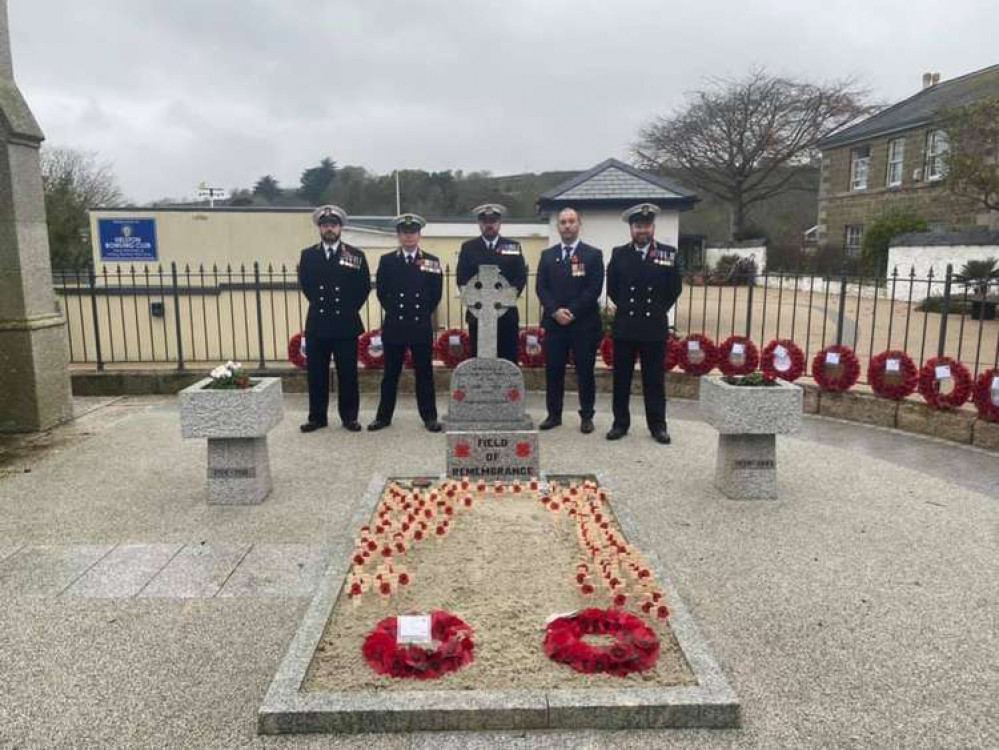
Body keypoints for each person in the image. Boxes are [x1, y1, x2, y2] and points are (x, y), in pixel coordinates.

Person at [605, 203, 683, 444]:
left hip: (653, 327)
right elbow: (614, 290)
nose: (642, 230)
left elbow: (674, 289)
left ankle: (658, 426)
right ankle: (620, 423)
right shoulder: (619, 254)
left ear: (653, 228)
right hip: (626, 326)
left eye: (647, 226)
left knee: (654, 380)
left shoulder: (667, 254)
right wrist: (630, 309)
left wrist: (657, 309)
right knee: (621, 379)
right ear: (631, 228)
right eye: (638, 226)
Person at [297, 205, 371, 433]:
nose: (329, 229)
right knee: (316, 375)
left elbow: (363, 287)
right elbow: (307, 286)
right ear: (319, 228)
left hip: (345, 324)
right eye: (325, 225)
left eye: (333, 225)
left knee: (347, 374)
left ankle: (349, 417)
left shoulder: (355, 255)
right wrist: (325, 306)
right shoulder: (308, 255)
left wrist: (347, 309)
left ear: (341, 227)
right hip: (318, 323)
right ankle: (317, 417)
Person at [368, 214, 443, 433]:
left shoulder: (431, 261)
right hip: (395, 324)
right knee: (390, 374)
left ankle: (429, 417)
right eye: (404, 232)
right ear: (399, 235)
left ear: (419, 235)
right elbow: (382, 292)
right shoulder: (387, 260)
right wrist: (396, 310)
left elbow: (435, 294)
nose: (408, 236)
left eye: (412, 232)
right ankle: (383, 417)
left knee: (424, 374)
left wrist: (419, 313)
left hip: (420, 324)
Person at [535, 207, 604, 433]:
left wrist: (571, 312)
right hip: (555, 325)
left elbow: (593, 289)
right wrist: (555, 311)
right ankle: (554, 415)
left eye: (571, 221)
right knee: (553, 371)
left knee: (585, 372)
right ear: (558, 226)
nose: (567, 225)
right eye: (563, 222)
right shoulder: (547, 255)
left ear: (579, 224)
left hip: (583, 325)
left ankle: (586, 416)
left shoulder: (593, 255)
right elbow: (541, 288)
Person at [456, 203, 527, 363]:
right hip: (478, 315)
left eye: (493, 221)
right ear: (479, 224)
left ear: (499, 223)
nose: (489, 225)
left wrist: (501, 301)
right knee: (480, 362)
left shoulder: (512, 247)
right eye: (485, 221)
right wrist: (481, 303)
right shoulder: (468, 248)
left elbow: (520, 278)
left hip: (506, 315)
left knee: (507, 361)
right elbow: (462, 279)